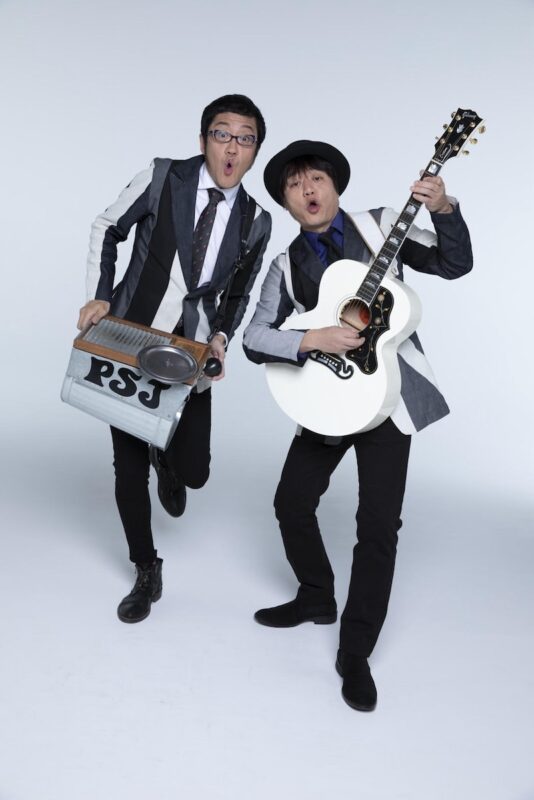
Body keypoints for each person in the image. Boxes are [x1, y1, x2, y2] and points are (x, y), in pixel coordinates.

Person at [243, 140, 472, 711]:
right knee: (292, 502)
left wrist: (444, 209)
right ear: (286, 203)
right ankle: (316, 595)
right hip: (329, 395)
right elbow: (254, 338)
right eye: (294, 185)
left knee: (377, 525)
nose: (308, 189)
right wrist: (311, 338)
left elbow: (453, 264)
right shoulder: (284, 266)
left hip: (389, 399)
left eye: (316, 178)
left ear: (335, 186)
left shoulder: (383, 226)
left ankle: (356, 650)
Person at [78, 94, 271, 624]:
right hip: (131, 337)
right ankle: (146, 568)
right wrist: (99, 295)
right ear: (203, 139)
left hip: (192, 353)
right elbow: (107, 226)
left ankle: (165, 456)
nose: (232, 148)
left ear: (255, 150)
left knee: (196, 471)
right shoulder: (163, 177)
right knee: (127, 468)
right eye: (222, 134)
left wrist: (222, 337)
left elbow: (239, 293)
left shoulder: (256, 220)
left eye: (245, 138)